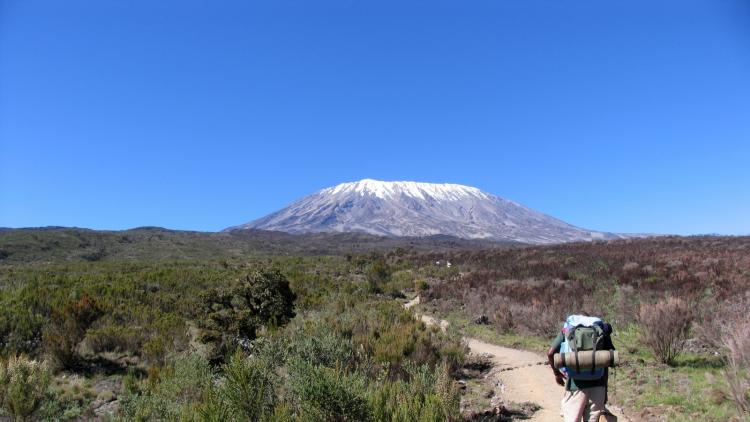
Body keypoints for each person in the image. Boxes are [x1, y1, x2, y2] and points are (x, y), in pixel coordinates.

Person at [547, 321, 615, 422]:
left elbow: (550, 353)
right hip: (598, 386)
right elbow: (611, 358)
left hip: (575, 387)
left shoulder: (567, 330)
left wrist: (557, 374)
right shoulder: (600, 331)